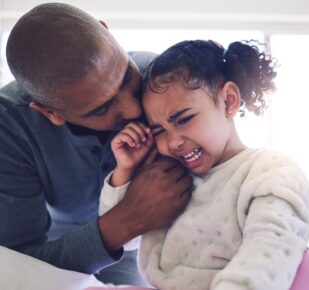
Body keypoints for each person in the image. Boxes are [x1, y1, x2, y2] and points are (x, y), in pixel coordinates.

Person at [97, 39, 309, 290]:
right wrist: (125, 172)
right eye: (158, 131)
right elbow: (125, 241)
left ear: (229, 101)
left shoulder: (271, 172)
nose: (174, 142)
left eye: (184, 119)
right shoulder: (170, 179)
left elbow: (268, 255)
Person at [0, 3, 192, 286]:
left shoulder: (166, 79)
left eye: (127, 76)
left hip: (146, 244)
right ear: (49, 112)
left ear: (107, 30)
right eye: (101, 109)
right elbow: (19, 264)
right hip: (58, 241)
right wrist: (125, 220)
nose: (131, 108)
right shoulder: (10, 125)